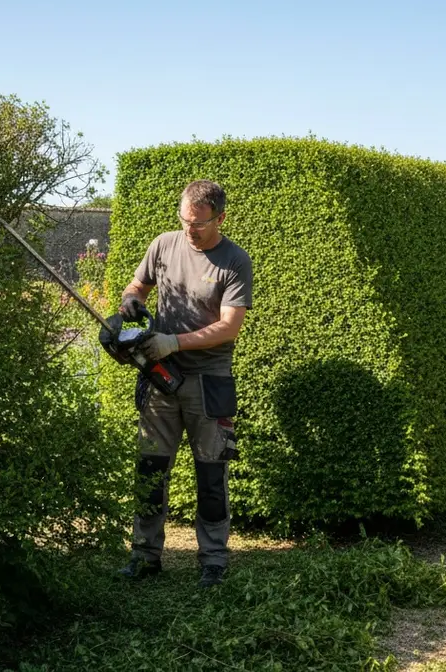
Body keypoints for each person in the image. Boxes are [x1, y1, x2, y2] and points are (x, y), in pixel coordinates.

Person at [115, 179, 253, 588]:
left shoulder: (234, 261)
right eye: (184, 221)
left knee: (211, 474)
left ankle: (213, 560)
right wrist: (131, 300)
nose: (189, 229)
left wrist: (174, 342)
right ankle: (145, 555)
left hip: (209, 381)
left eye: (199, 224)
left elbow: (229, 327)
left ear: (220, 218)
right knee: (150, 468)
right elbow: (137, 285)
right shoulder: (164, 244)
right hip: (160, 378)